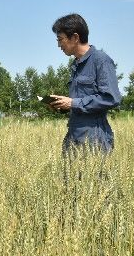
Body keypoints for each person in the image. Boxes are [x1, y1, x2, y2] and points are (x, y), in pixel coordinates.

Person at [46, 13, 121, 156]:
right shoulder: (76, 65)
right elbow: (80, 104)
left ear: (75, 37)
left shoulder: (101, 60)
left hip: (94, 139)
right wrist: (61, 105)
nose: (58, 45)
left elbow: (112, 98)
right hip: (73, 136)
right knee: (70, 179)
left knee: (94, 178)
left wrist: (73, 103)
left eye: (60, 39)